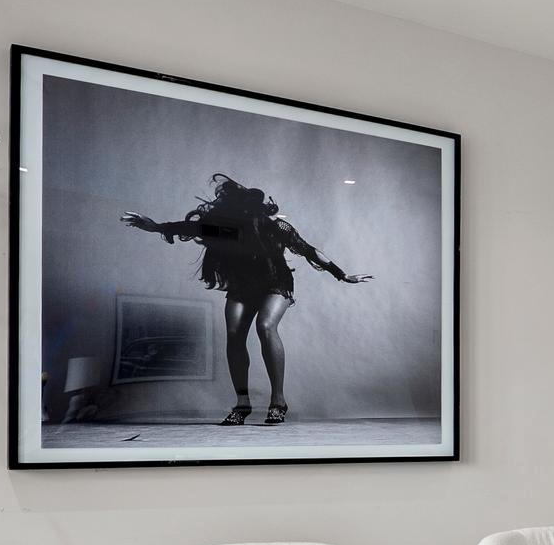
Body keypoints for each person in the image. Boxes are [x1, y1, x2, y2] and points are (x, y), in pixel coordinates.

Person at [120, 173, 370, 425]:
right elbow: (185, 227)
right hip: (243, 285)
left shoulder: (275, 227)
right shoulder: (225, 230)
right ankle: (242, 403)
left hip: (276, 282)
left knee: (265, 326)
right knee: (234, 334)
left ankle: (278, 401)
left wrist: (341, 275)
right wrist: (153, 226)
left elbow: (309, 250)